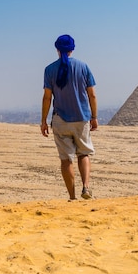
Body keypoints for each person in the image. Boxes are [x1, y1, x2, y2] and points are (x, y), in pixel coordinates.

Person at [41, 34, 98, 200]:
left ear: (57, 49)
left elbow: (47, 97)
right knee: (84, 154)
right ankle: (86, 188)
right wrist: (94, 117)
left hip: (60, 120)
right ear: (73, 49)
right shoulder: (83, 67)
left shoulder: (49, 69)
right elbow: (92, 95)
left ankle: (72, 197)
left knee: (66, 160)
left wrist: (43, 121)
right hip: (81, 118)